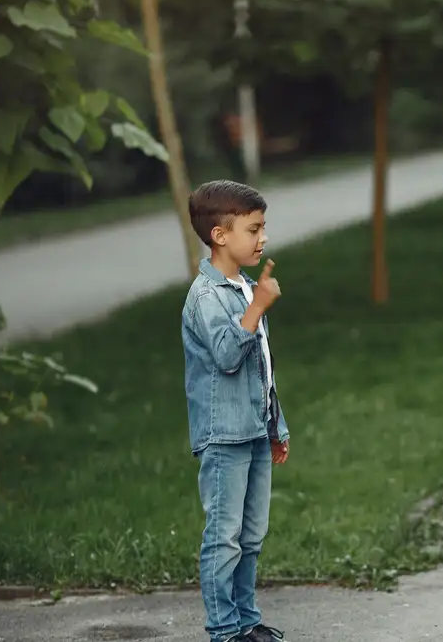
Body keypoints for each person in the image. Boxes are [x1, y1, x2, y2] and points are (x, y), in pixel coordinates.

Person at [182, 180, 291, 642]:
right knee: (223, 538)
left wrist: (275, 425)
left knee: (251, 536)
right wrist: (259, 307)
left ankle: (247, 620)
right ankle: (224, 630)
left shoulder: (246, 288)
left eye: (263, 227)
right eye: (254, 228)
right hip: (223, 436)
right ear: (220, 235)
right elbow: (228, 356)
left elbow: (261, 364)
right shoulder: (205, 297)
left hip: (253, 431)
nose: (262, 238)